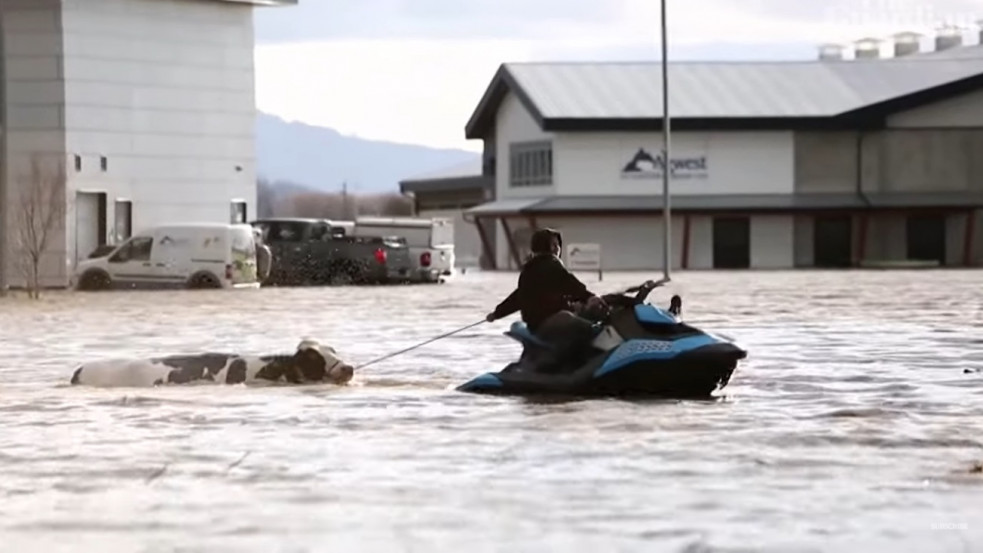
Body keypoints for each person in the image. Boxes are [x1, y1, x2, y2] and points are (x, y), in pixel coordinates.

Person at [485, 228, 607, 371]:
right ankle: (582, 362)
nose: (557, 249)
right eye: (553, 245)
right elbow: (571, 285)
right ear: (543, 247)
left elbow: (516, 298)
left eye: (558, 245)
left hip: (538, 324)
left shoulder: (530, 270)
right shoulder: (550, 266)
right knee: (584, 326)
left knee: (582, 315)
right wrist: (590, 297)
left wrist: (496, 314)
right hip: (544, 323)